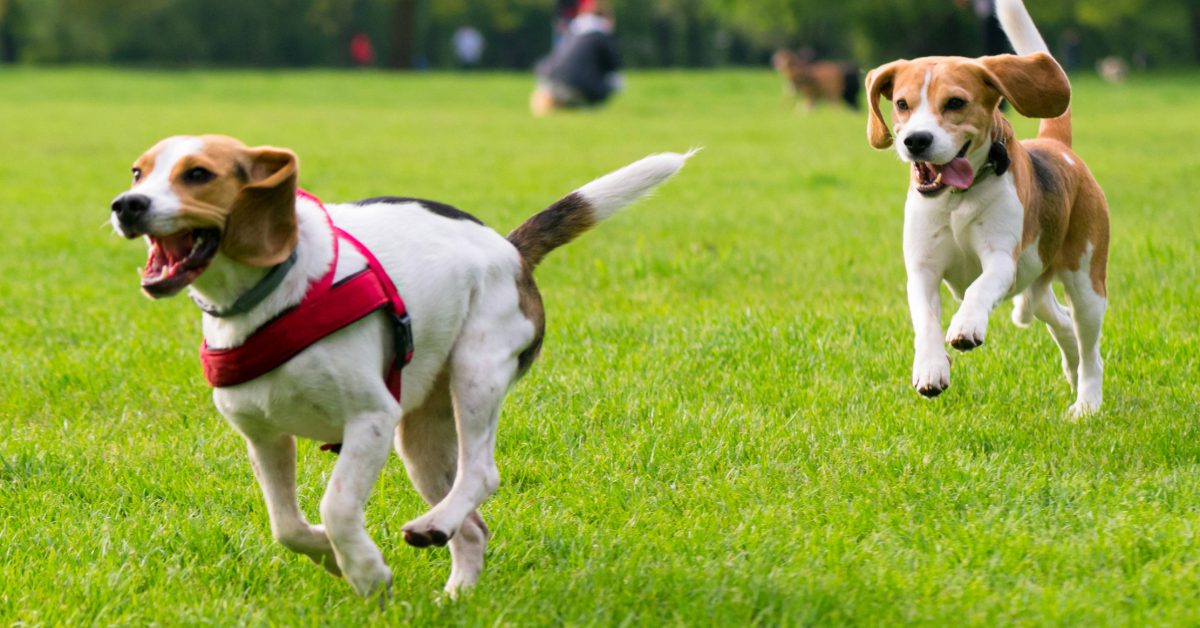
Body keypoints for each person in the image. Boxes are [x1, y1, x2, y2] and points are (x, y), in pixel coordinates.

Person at [531, 1, 621, 116]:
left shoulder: (572, 31)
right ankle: (584, 108)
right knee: (615, 83)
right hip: (579, 89)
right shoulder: (602, 36)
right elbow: (614, 68)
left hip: (549, 82)